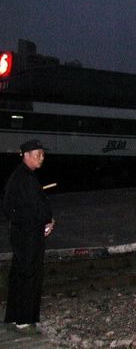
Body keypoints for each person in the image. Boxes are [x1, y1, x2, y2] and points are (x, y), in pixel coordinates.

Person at [3, 139, 55, 333]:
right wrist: (47, 220)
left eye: (42, 154)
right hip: (28, 236)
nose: (41, 158)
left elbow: (13, 208)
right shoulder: (25, 179)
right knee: (29, 275)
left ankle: (14, 316)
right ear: (26, 155)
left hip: (22, 234)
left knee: (19, 274)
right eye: (38, 154)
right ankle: (24, 320)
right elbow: (34, 208)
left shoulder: (20, 176)